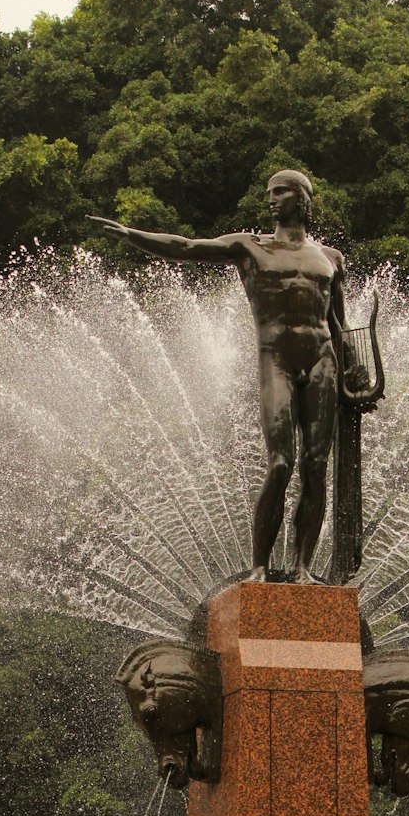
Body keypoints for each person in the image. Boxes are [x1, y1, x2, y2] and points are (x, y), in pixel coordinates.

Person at [89, 169, 345, 582]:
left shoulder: (330, 258)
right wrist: (129, 235)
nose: (271, 199)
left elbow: (340, 325)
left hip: (323, 360)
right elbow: (187, 246)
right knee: (281, 463)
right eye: (269, 193)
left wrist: (353, 377)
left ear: (301, 198)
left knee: (316, 466)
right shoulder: (249, 247)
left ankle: (302, 569)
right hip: (276, 359)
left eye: (280, 192)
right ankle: (260, 567)